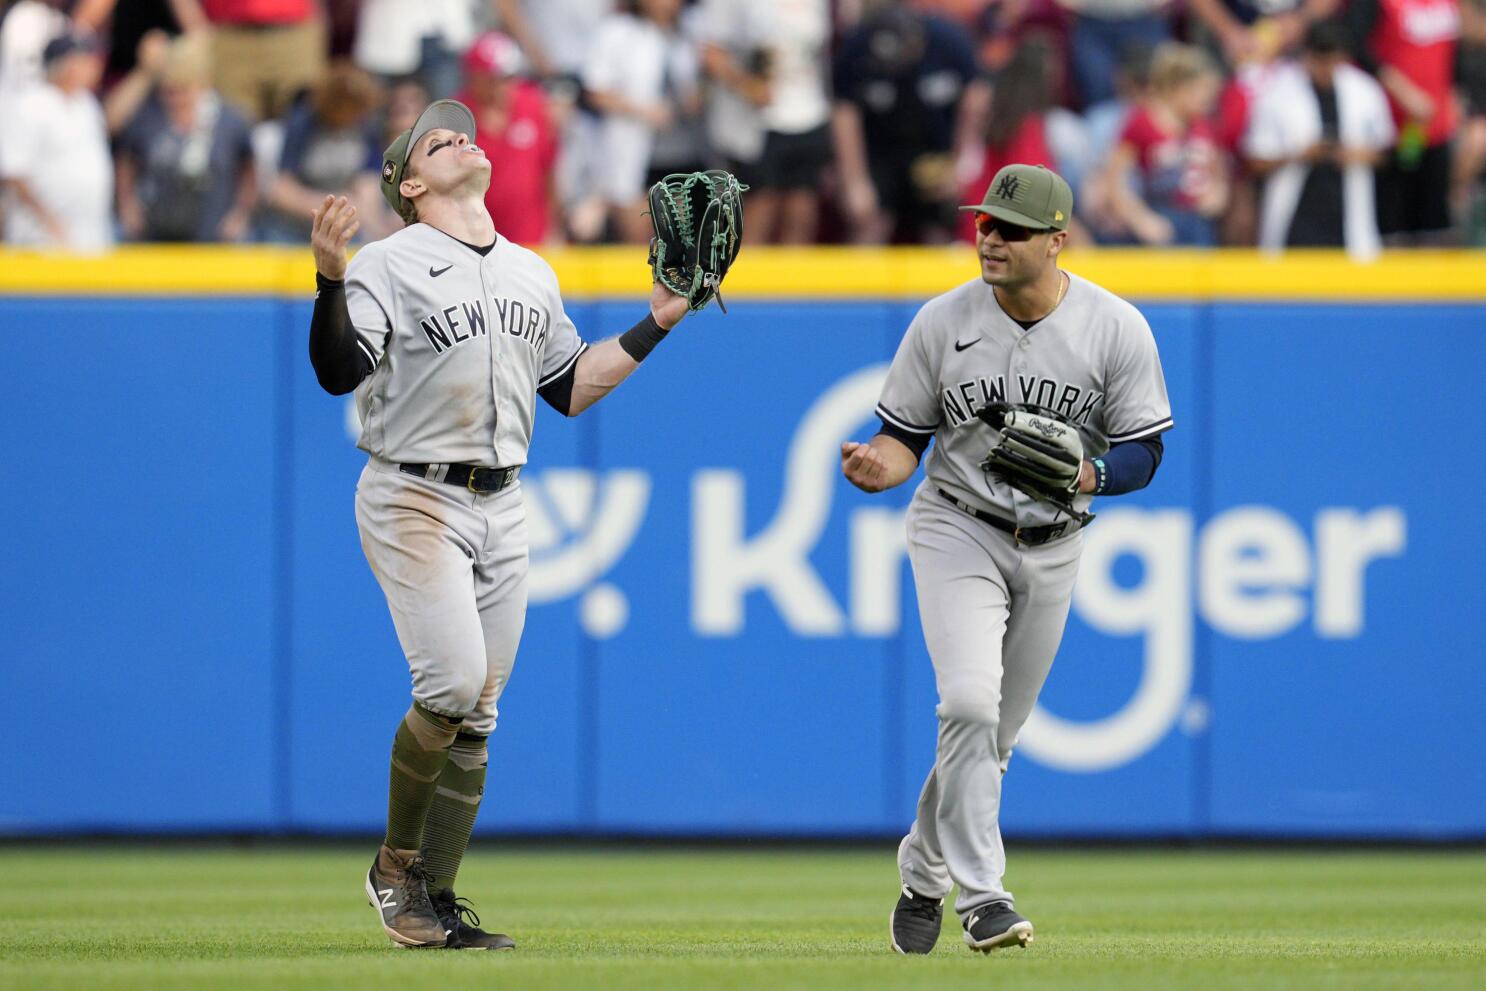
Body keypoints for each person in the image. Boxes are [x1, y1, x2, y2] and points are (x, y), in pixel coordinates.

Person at [306, 98, 696, 950]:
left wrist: (658, 319)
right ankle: (394, 867)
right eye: (434, 140)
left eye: (462, 130)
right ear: (409, 183)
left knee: (478, 712)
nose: (458, 137)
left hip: (503, 500)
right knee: (447, 685)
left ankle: (434, 902)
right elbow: (340, 373)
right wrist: (332, 279)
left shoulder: (529, 270)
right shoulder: (388, 261)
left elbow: (571, 386)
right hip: (414, 491)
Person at [841, 163, 1172, 955]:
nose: (988, 238)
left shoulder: (1114, 326)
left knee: (992, 739)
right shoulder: (941, 321)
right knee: (967, 703)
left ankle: (923, 872)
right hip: (958, 526)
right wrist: (878, 465)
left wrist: (1092, 474)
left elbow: (1146, 451)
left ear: (1058, 241)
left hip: (1055, 542)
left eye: (1010, 229)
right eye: (984, 223)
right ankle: (984, 898)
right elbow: (903, 439)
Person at [832, 0, 985, 243]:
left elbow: (975, 97)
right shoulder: (858, 46)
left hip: (934, 149)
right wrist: (855, 181)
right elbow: (845, 113)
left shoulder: (949, 39)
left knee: (940, 224)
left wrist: (962, 163)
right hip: (880, 150)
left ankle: (942, 281)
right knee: (868, 223)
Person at [1244, 19, 1394, 257]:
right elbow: (1255, 159)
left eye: (1333, 61)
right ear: (1307, 55)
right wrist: (1300, 155)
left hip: (1348, 220)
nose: (1326, 69)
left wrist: (1358, 154)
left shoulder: (1364, 90)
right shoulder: (1278, 93)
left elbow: (1387, 150)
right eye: (1320, 61)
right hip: (1296, 222)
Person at [699, 0, 833, 243]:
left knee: (802, 213)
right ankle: (748, 280)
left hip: (810, 114)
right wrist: (747, 86)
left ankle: (795, 280)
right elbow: (711, 52)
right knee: (760, 210)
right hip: (758, 123)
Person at [114, 32, 256, 242]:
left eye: (184, 90)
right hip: (154, 236)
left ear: (202, 84)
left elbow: (248, 170)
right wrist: (128, 207)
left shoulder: (230, 122)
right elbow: (126, 161)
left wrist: (240, 214)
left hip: (213, 237)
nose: (176, 99)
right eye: (169, 91)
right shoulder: (148, 117)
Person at [582, 0, 700, 243]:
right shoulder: (616, 31)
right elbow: (595, 91)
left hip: (679, 151)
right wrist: (643, 111)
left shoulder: (686, 35)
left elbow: (690, 89)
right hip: (632, 151)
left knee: (677, 242)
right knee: (639, 237)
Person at [1347, 0, 1462, 244]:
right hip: (1391, 126)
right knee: (1395, 218)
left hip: (1434, 124)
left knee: (1434, 221)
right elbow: (1355, 43)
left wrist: (1455, 93)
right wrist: (1400, 89)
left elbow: (1454, 47)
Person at [1092, 42, 1228, 245]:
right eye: (1204, 94)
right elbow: (1114, 180)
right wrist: (1140, 219)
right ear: (1180, 88)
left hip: (1198, 222)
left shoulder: (1204, 126)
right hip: (1161, 219)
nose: (1209, 102)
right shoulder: (1143, 122)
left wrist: (1217, 194)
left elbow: (1219, 171)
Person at [0, 33, 113, 251]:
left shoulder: (87, 104)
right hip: (40, 237)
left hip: (90, 235)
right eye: (86, 59)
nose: (94, 66)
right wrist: (49, 221)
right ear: (66, 64)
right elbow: (14, 173)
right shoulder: (31, 103)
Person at [262, 61, 385, 244]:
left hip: (344, 223)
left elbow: (368, 185)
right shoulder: (302, 124)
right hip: (296, 226)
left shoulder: (366, 128)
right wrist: (329, 207)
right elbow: (281, 190)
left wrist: (377, 230)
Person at [457, 31, 558, 246]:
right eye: (497, 78)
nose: (506, 85)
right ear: (475, 77)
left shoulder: (532, 104)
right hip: (473, 239)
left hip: (530, 236)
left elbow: (549, 169)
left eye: (510, 77)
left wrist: (555, 225)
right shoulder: (457, 116)